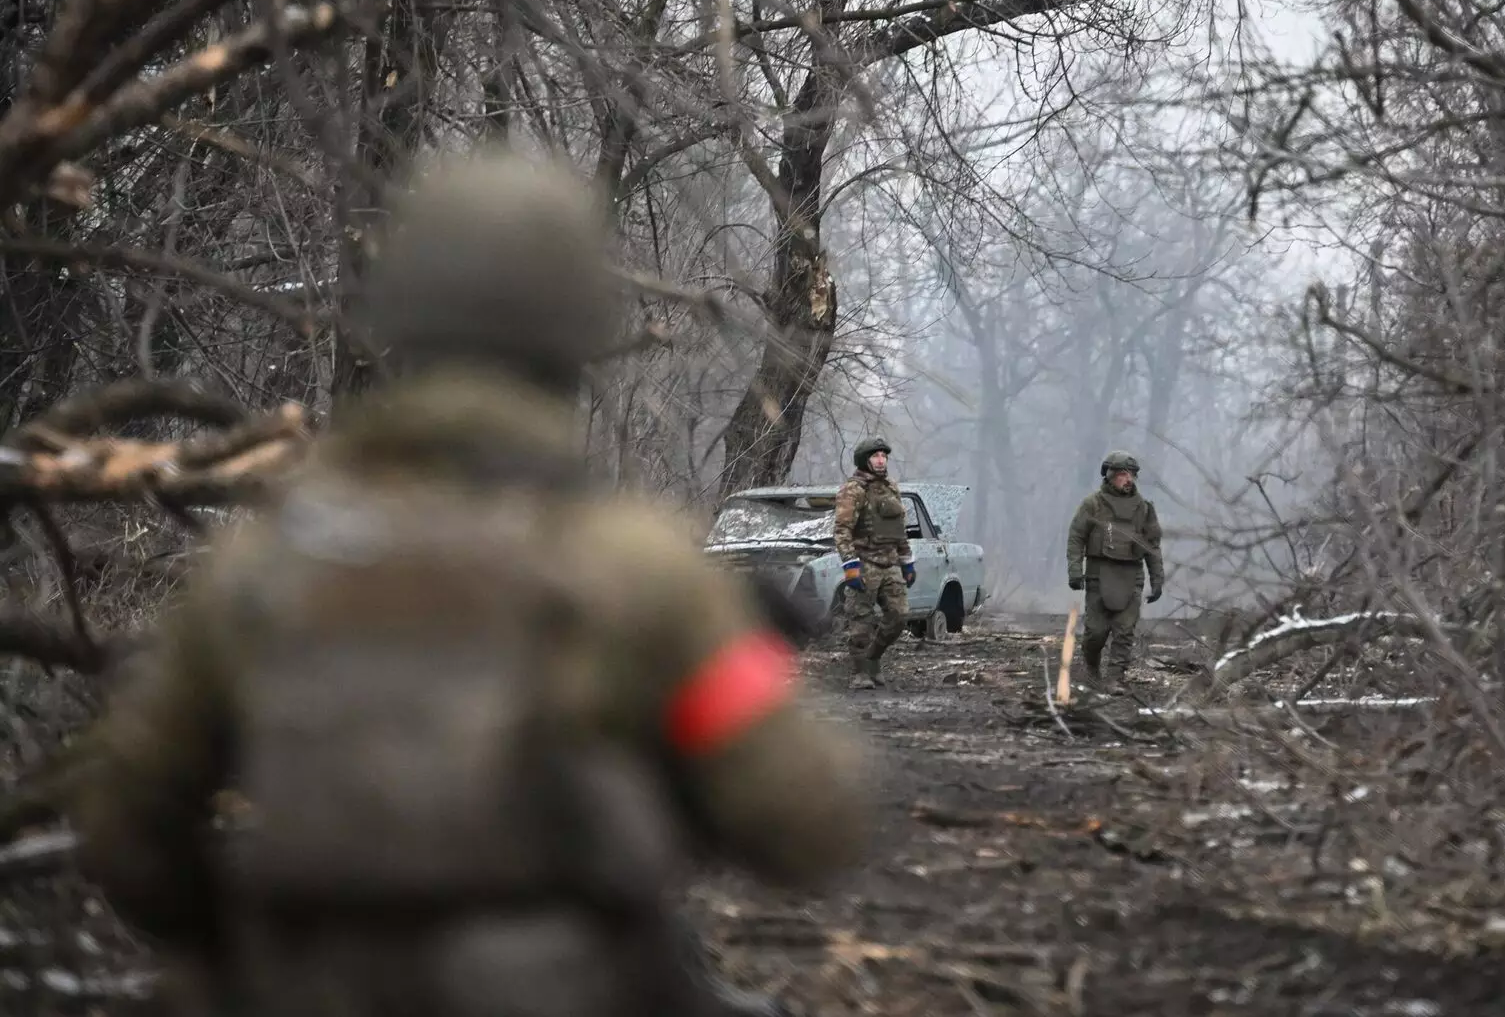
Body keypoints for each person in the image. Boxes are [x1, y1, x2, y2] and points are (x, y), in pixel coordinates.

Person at [64, 147, 870, 1017]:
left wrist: (249, 947)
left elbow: (125, 830)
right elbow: (813, 823)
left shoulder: (264, 563)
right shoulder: (637, 572)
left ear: (401, 316)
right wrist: (721, 689)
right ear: (577, 330)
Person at [1064, 450, 1165, 687]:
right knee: (1096, 632)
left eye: (1131, 475)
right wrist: (1075, 571)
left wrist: (1157, 580)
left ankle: (1115, 679)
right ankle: (1091, 666)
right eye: (1122, 474)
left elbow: (1153, 547)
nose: (1128, 479)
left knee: (1124, 631)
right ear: (1109, 476)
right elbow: (1076, 537)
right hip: (1099, 574)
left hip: (1131, 575)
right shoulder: (1093, 505)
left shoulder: (1144, 509)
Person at [831, 436, 914, 689]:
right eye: (875, 456)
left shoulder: (891, 486)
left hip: (889, 563)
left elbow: (899, 528)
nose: (880, 460)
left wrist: (907, 560)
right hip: (865, 561)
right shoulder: (853, 489)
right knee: (861, 622)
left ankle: (873, 658)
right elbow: (842, 529)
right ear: (865, 460)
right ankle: (859, 673)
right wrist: (850, 564)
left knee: (899, 617)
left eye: (883, 456)